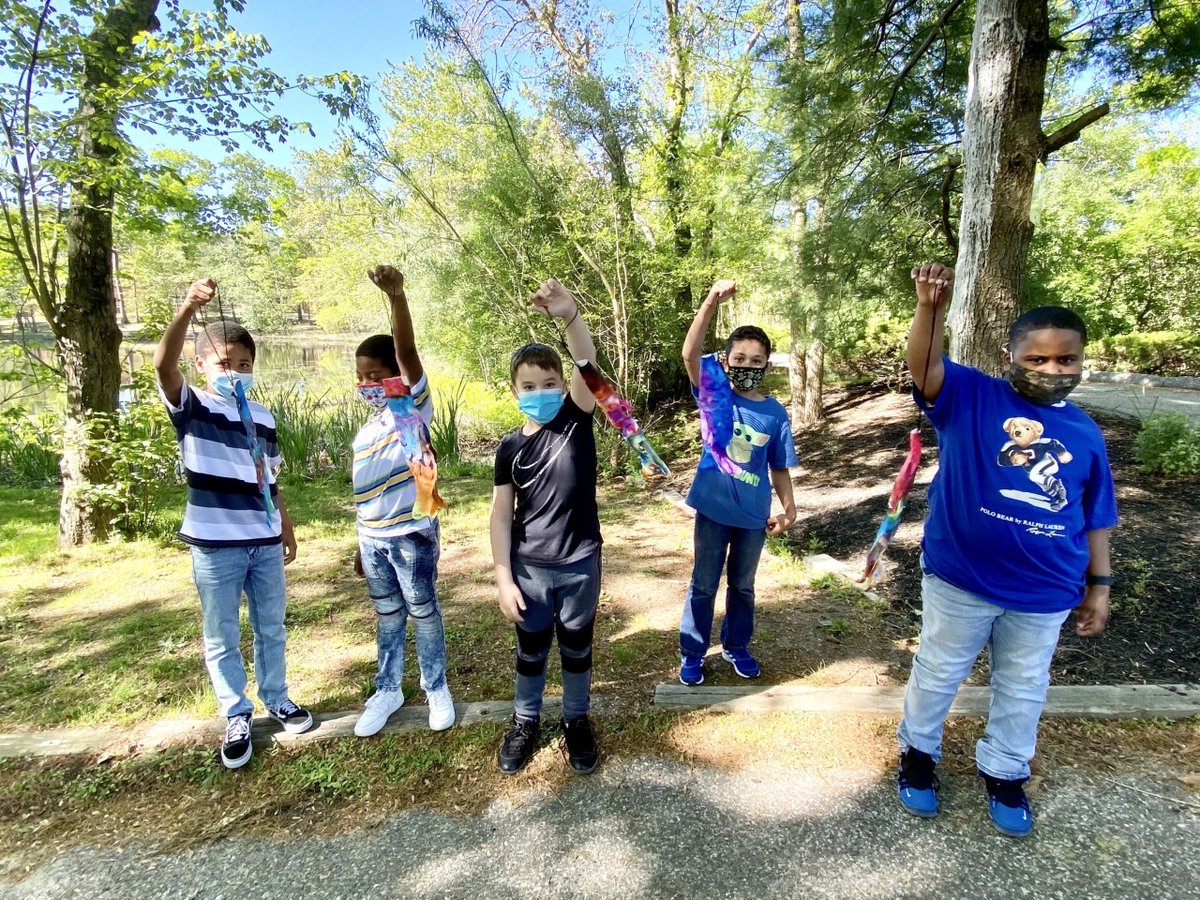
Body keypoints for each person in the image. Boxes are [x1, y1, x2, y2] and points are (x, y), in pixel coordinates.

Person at [896, 262, 1117, 838]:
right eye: (1036, 358)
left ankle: (1005, 771)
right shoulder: (971, 395)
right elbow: (924, 365)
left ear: (1080, 361)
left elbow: (1094, 516)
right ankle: (918, 756)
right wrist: (929, 309)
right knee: (939, 671)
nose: (1051, 369)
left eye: (1065, 359)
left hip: (1044, 589)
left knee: (1023, 684)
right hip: (961, 577)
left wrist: (1100, 585)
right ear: (1010, 358)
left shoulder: (1087, 433)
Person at [153, 279, 313, 770]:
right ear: (202, 365)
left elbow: (269, 476)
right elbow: (163, 365)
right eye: (225, 363)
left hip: (262, 542)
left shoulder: (262, 415)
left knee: (271, 625)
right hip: (216, 544)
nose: (236, 372)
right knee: (221, 631)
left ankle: (276, 696)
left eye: (244, 365)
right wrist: (187, 307)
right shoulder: (192, 406)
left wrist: (284, 527)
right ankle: (236, 712)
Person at [489, 279, 602, 776]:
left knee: (577, 648)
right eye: (528, 386)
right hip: (529, 568)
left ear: (563, 385)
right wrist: (502, 575)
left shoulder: (578, 417)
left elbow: (588, 364)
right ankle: (525, 720)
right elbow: (499, 514)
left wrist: (570, 317)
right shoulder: (508, 449)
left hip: (580, 564)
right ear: (514, 392)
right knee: (531, 650)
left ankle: (576, 720)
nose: (541, 393)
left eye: (549, 383)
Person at [350, 266, 456, 737]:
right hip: (371, 538)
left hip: (411, 533)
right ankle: (388, 688)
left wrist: (397, 298)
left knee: (422, 608)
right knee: (387, 612)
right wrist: (361, 540)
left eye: (376, 374)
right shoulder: (367, 429)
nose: (369, 383)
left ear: (395, 376)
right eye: (361, 377)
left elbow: (408, 352)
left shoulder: (409, 409)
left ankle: (435, 686)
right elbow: (363, 491)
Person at [677, 280, 798, 686]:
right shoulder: (713, 394)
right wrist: (711, 301)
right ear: (726, 361)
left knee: (743, 586)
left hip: (752, 517)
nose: (747, 365)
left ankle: (736, 645)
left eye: (756, 359)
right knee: (704, 584)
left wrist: (790, 508)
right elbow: (690, 353)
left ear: (766, 365)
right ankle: (693, 651)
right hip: (713, 510)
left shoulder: (776, 415)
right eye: (739, 357)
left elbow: (779, 467)